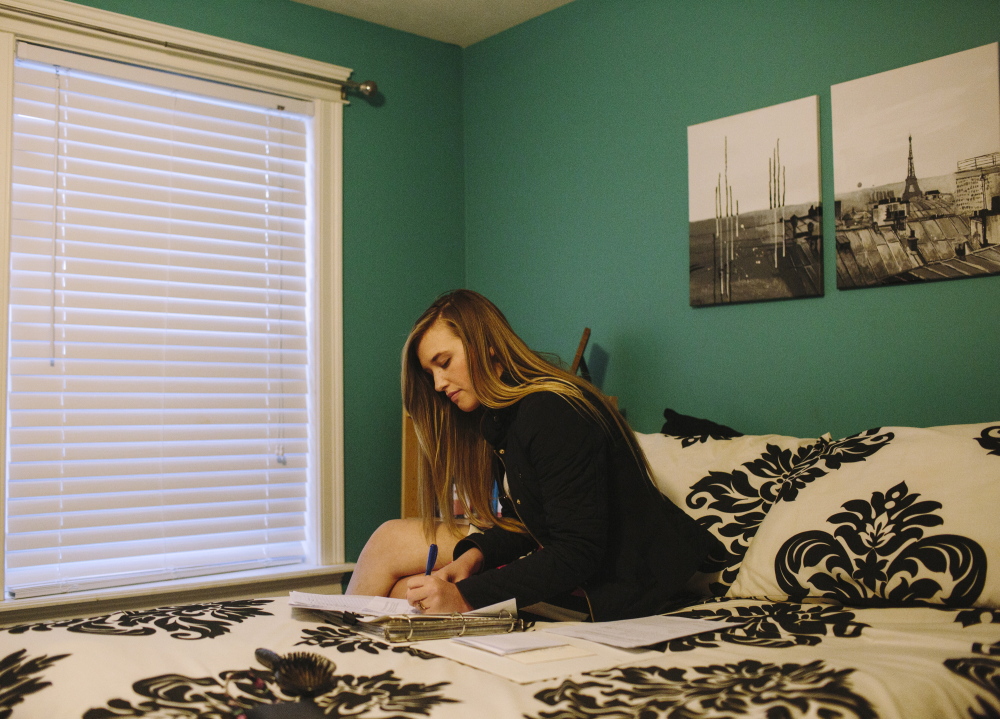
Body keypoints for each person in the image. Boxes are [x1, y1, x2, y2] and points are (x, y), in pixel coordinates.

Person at [346, 289, 713, 621]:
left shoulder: (553, 411)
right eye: (431, 374)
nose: (439, 384)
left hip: (625, 588)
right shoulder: (504, 418)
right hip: (589, 575)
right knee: (409, 593)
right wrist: (475, 557)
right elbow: (527, 519)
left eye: (444, 362)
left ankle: (341, 661)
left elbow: (578, 550)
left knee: (413, 596)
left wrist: (464, 596)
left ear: (485, 344)